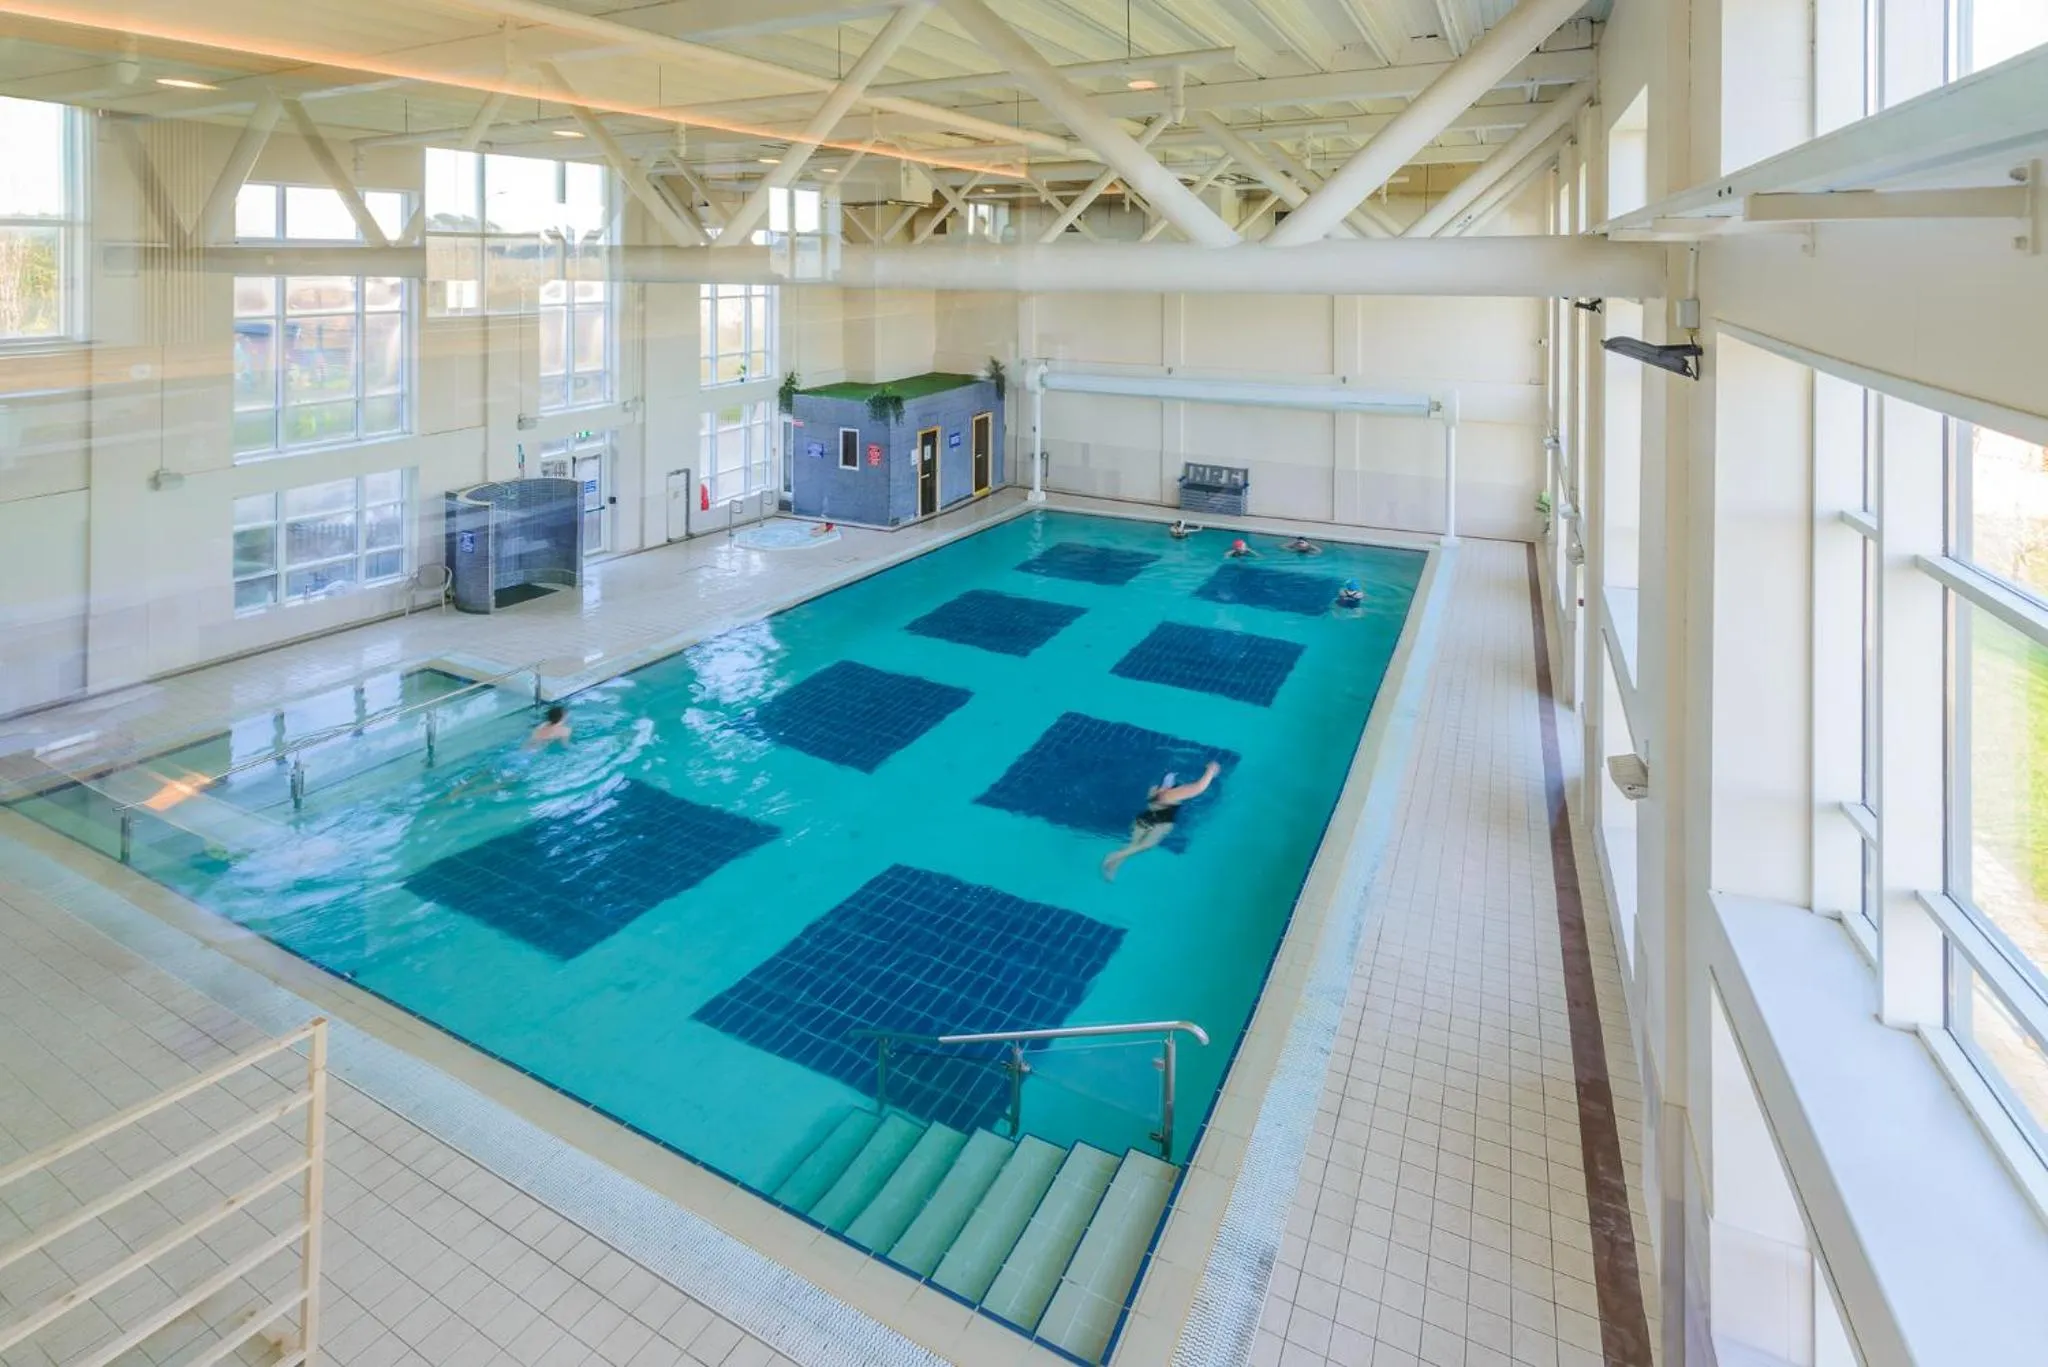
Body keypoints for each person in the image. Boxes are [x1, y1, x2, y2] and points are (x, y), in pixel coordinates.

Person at [1102, 761, 1221, 882]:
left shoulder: (1154, 790)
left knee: (1132, 846)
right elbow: (1198, 788)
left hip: (1144, 818)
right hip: (1161, 824)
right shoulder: (1171, 794)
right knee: (1146, 845)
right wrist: (1210, 771)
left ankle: (1114, 866)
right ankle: (1113, 857)